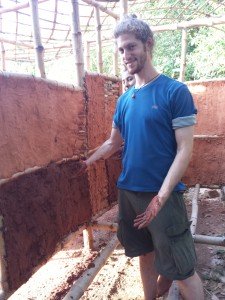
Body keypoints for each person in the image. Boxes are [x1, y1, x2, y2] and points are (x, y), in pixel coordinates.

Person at [78, 15, 204, 300]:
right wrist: (87, 162)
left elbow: (184, 150)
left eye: (131, 47)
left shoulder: (175, 91)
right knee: (144, 256)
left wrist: (160, 197)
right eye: (121, 49)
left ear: (148, 44)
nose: (125, 55)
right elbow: (113, 142)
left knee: (182, 270)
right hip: (129, 193)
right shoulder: (124, 100)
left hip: (162, 195)